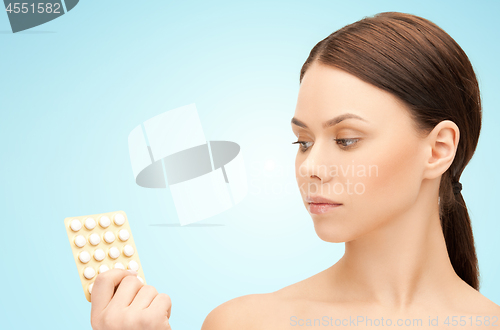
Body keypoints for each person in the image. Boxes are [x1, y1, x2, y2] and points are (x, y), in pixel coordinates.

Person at [89, 12, 500, 330]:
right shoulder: (245, 324)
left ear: (438, 150)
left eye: (347, 139)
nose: (311, 168)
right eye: (302, 143)